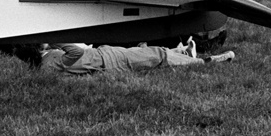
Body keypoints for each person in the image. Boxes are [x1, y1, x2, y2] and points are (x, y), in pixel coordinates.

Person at [16, 41, 233, 74]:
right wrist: (57, 40)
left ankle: (182, 51)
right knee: (156, 55)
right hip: (108, 60)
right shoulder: (50, 61)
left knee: (142, 49)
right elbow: (77, 53)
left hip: (105, 54)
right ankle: (205, 61)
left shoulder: (44, 63)